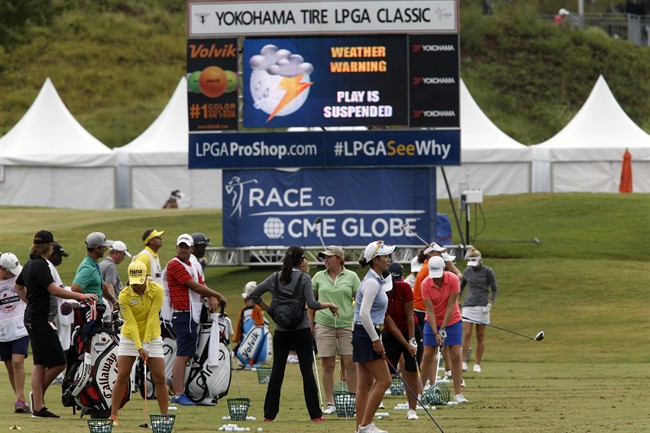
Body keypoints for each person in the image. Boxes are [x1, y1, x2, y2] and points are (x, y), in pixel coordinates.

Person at [248, 246, 338, 422]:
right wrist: (329, 305)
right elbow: (312, 304)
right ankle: (315, 415)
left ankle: (269, 415)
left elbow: (254, 294)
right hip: (301, 330)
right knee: (307, 372)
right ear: (301, 260)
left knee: (277, 372)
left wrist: (271, 311)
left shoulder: (275, 277)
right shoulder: (304, 278)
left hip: (281, 331)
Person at [14, 230, 98, 418]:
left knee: (40, 363)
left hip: (32, 317)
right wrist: (81, 296)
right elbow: (54, 290)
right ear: (49, 247)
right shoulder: (41, 265)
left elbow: (17, 287)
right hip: (40, 319)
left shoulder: (29, 264)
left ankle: (37, 407)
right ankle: (37, 400)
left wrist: (30, 302)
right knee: (60, 362)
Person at [166, 234, 226, 406]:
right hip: (183, 313)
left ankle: (180, 388)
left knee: (188, 354)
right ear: (177, 248)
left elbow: (201, 284)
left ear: (191, 249)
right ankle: (178, 393)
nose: (183, 250)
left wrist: (211, 297)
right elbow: (193, 285)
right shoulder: (174, 264)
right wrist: (216, 295)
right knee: (183, 354)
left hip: (192, 313)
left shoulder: (191, 265)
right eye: (181, 246)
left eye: (186, 247)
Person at [109, 261, 168, 426]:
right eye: (135, 284)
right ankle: (113, 416)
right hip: (129, 337)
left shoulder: (157, 290)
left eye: (140, 283)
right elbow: (131, 323)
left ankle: (165, 417)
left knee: (160, 377)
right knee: (122, 375)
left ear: (146, 278)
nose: (138, 287)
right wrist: (140, 346)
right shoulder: (124, 295)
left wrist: (147, 344)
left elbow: (152, 317)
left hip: (153, 336)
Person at [310, 245, 360, 415]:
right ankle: (331, 403)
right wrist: (310, 324)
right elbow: (311, 303)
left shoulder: (352, 276)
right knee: (328, 365)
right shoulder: (318, 276)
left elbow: (359, 301)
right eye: (324, 257)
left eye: (329, 257)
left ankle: (353, 401)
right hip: (324, 324)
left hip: (347, 325)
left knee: (351, 363)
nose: (325, 259)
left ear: (339, 258)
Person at [353, 240, 396, 433]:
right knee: (384, 380)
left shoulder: (375, 279)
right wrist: (376, 340)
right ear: (375, 260)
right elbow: (363, 313)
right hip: (366, 333)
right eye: (385, 256)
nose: (388, 259)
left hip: (365, 333)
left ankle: (360, 427)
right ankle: (366, 426)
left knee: (365, 385)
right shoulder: (371, 282)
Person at [420, 256, 468, 404]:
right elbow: (430, 310)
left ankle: (458, 394)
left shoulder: (453, 279)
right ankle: (420, 392)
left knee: (455, 354)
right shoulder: (425, 283)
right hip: (432, 321)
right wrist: (436, 332)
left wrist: (443, 328)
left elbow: (451, 305)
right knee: (428, 354)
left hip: (452, 319)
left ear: (444, 269)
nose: (436, 279)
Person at [383, 262, 420, 420]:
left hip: (410, 330)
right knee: (385, 372)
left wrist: (411, 340)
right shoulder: (381, 291)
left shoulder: (405, 288)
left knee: (411, 370)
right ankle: (377, 403)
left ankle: (412, 409)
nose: (395, 284)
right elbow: (390, 324)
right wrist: (406, 344)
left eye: (398, 280)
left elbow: (409, 316)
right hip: (390, 333)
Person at [0, 253, 30, 414]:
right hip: (2, 330)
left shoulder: (19, 277)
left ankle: (20, 399)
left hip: (20, 326)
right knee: (10, 366)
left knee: (17, 361)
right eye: (9, 271)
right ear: (2, 269)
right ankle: (21, 399)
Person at [460, 248, 498, 373]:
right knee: (466, 334)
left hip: (482, 306)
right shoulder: (467, 271)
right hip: (468, 305)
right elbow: (461, 288)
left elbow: (494, 289)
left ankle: (477, 363)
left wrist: (490, 303)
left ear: (479, 260)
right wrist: (457, 301)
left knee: (480, 336)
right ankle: (463, 362)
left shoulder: (488, 271)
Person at [47, 242, 73, 385]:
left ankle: (56, 373)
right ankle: (56, 374)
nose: (61, 259)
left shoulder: (49, 267)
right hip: (55, 311)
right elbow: (58, 288)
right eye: (60, 256)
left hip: (56, 310)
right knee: (61, 341)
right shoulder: (49, 267)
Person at [71, 232, 117, 309]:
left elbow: (101, 284)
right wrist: (86, 304)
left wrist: (113, 300)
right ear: (96, 248)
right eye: (103, 247)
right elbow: (75, 288)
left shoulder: (93, 263)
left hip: (97, 309)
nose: (105, 249)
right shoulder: (88, 268)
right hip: (92, 312)